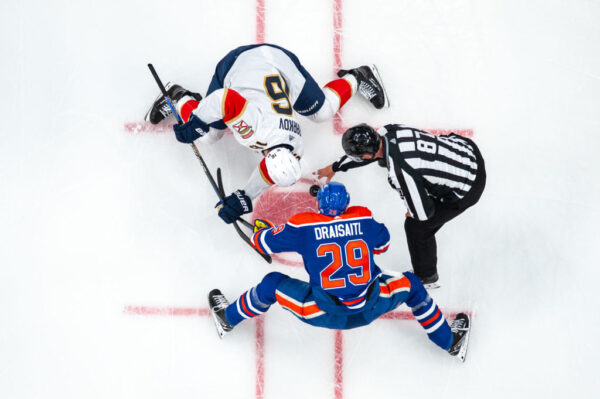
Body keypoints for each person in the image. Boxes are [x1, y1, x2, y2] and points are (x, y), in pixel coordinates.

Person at [207, 182, 471, 361]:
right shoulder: (363, 217)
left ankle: (227, 319)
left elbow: (261, 242)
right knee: (413, 285)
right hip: (372, 305)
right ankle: (449, 343)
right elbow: (383, 244)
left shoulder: (303, 225)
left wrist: (263, 229)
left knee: (271, 283)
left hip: (320, 311)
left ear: (320, 204)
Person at [144, 43, 388, 224]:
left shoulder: (294, 148)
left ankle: (359, 77)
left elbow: (269, 172)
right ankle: (177, 96)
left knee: (322, 110)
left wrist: (246, 196)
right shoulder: (254, 130)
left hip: (279, 62)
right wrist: (197, 122)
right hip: (238, 64)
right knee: (208, 136)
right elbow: (223, 99)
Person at [316, 124, 486, 288]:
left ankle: (426, 276)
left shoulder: (400, 172)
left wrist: (413, 209)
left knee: (416, 227)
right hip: (467, 151)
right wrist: (335, 167)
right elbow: (371, 153)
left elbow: (423, 214)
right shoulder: (390, 130)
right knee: (410, 164)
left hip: (470, 186)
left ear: (367, 156)